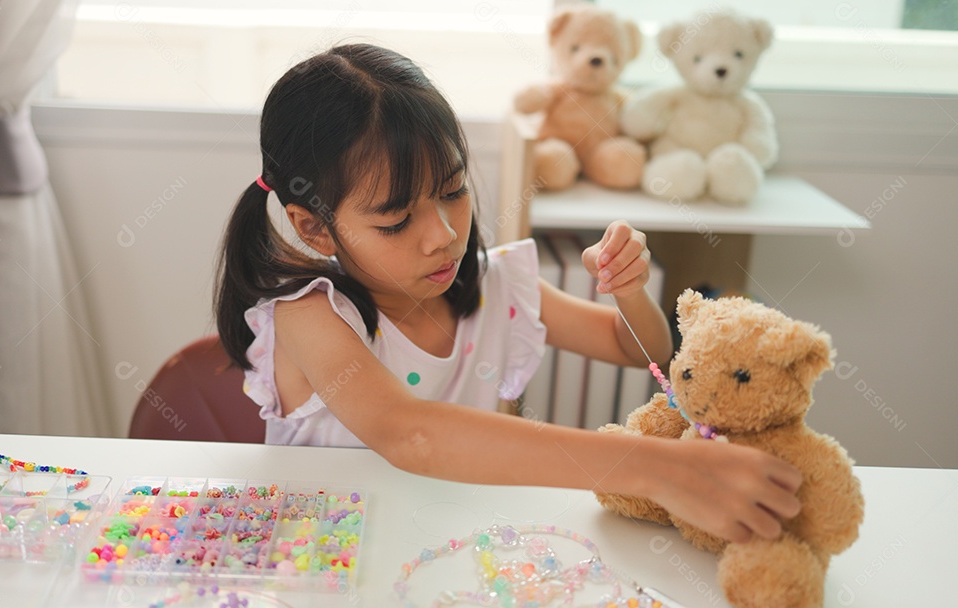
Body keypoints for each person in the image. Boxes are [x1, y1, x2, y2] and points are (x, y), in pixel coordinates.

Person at [215, 44, 801, 544]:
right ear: (315, 228)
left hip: (447, 545)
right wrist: (653, 468)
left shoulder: (498, 285)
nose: (443, 236)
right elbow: (409, 433)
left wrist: (627, 290)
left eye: (453, 192)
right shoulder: (310, 316)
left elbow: (640, 350)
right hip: (325, 562)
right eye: (396, 222)